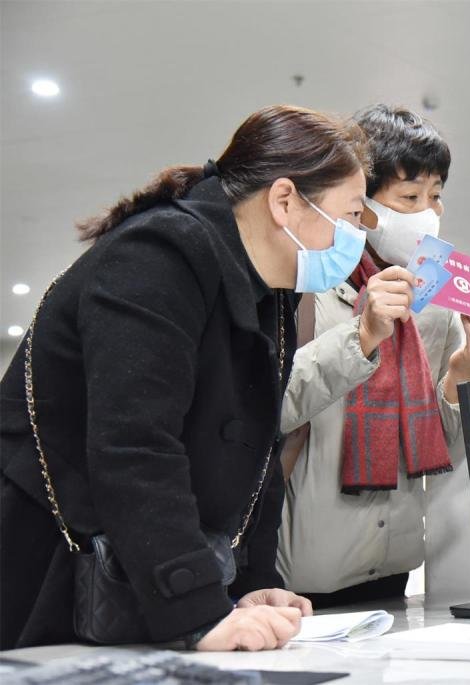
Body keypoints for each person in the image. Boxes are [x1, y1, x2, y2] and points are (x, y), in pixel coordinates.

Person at [0, 105, 371, 651]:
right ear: (285, 200)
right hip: (52, 565)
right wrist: (198, 610)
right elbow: (135, 445)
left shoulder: (271, 295)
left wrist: (253, 583)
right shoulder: (157, 255)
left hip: (141, 570)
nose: (357, 235)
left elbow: (257, 456)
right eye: (353, 214)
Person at [277, 104, 470, 605]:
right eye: (410, 196)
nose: (429, 212)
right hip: (300, 574)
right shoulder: (304, 286)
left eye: (436, 196)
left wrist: (464, 370)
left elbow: (437, 446)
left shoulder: (432, 303)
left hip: (394, 564)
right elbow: (273, 407)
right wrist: (363, 333)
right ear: (360, 202)